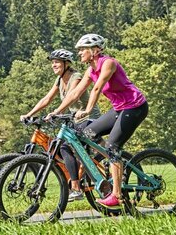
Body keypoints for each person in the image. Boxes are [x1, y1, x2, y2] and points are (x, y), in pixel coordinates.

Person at [46, 34, 148, 208]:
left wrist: (86, 110)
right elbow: (75, 93)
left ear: (94, 51)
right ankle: (111, 163)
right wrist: (56, 111)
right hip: (119, 109)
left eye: (82, 50)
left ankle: (116, 194)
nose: (79, 54)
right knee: (87, 134)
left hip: (135, 107)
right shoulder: (90, 70)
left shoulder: (108, 63)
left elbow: (97, 88)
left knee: (112, 146)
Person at [20, 49, 101, 202]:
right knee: (62, 148)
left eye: (56, 62)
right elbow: (47, 99)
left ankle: (76, 188)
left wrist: (56, 112)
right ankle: (78, 179)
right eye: (52, 62)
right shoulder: (59, 80)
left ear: (66, 63)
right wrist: (29, 114)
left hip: (89, 119)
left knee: (64, 147)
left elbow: (71, 96)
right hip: (74, 121)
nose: (53, 65)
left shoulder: (75, 77)